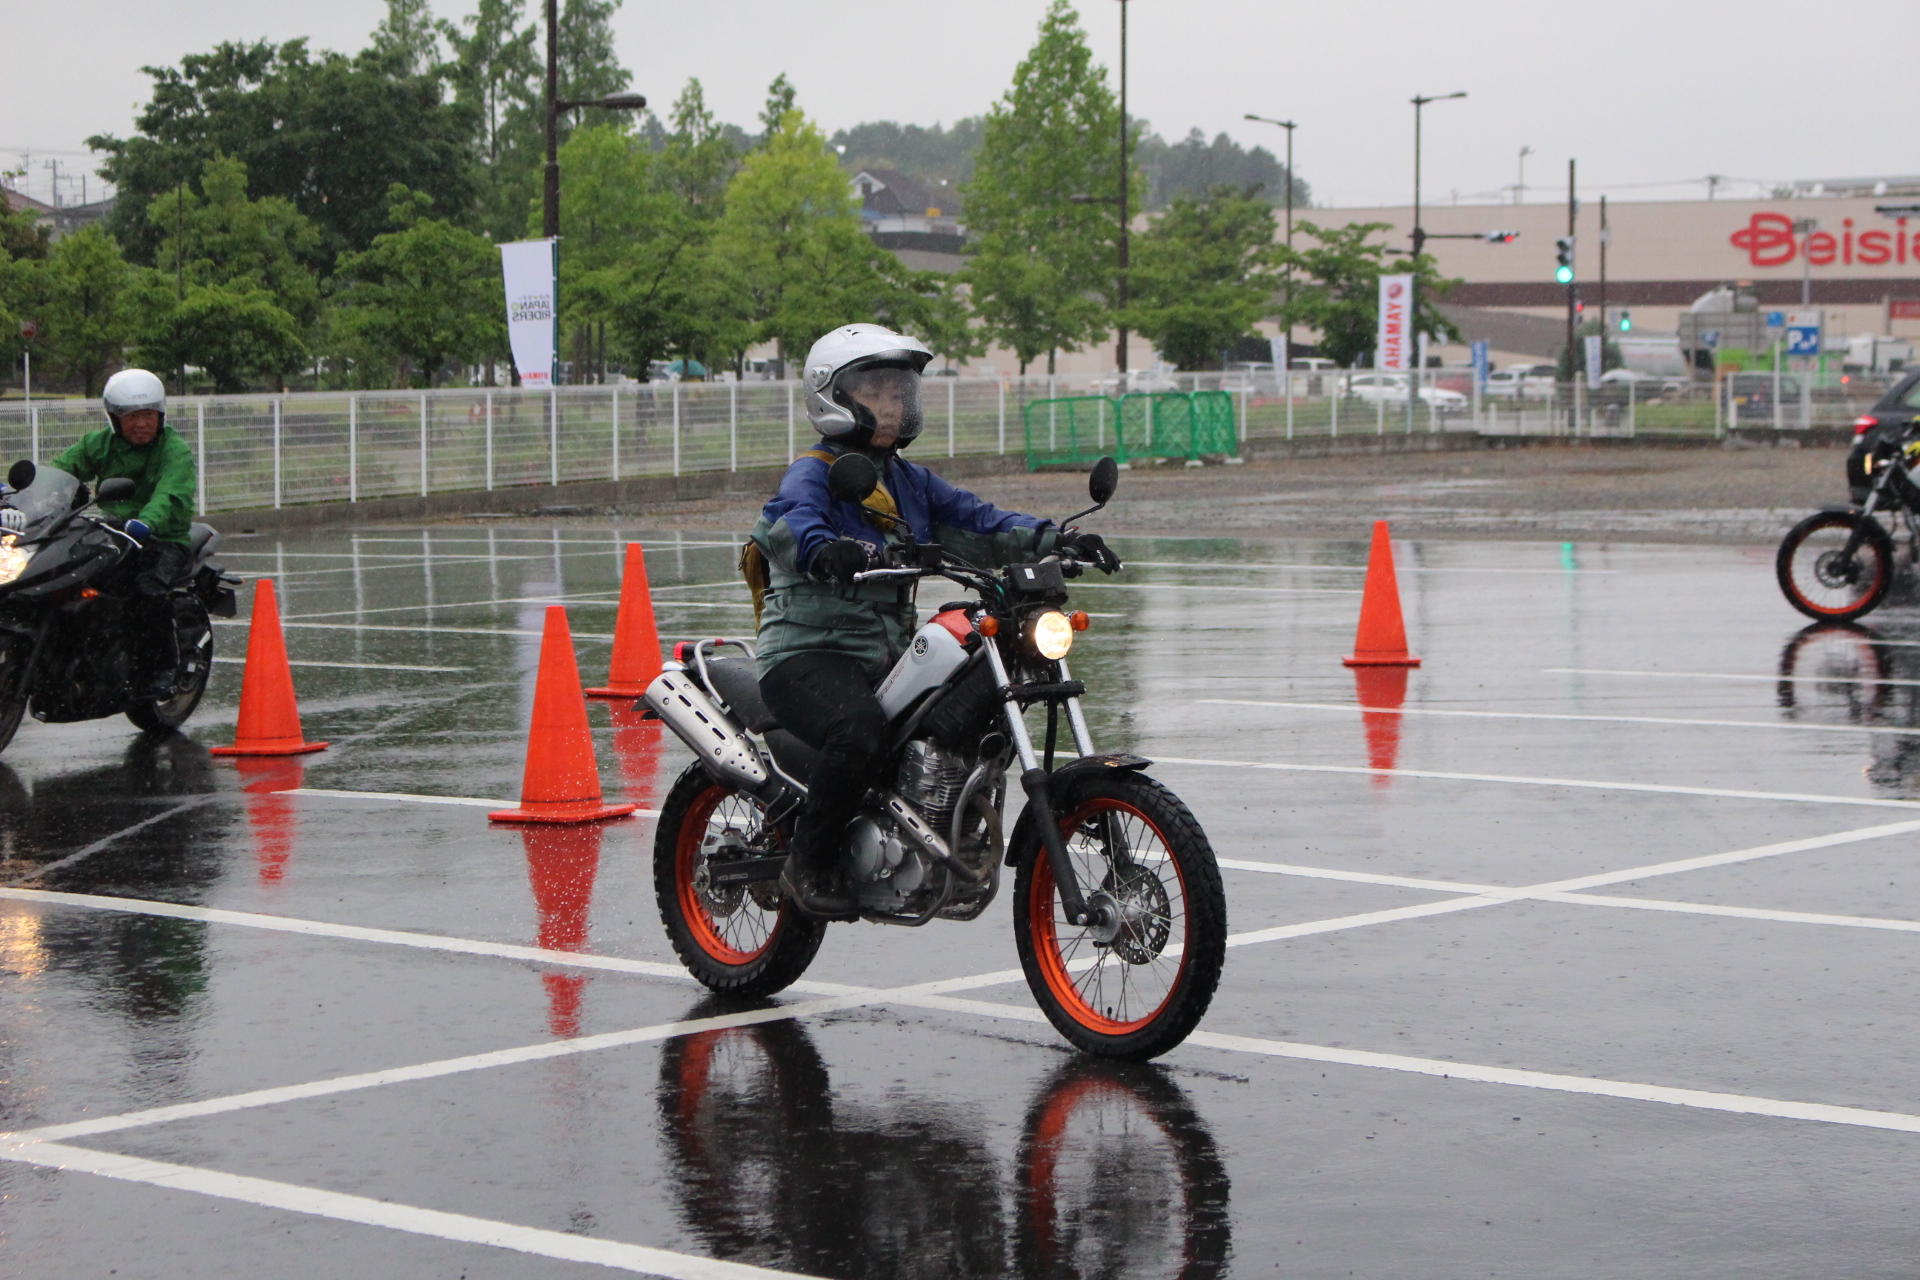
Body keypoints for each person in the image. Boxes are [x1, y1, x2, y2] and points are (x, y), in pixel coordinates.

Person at [748, 324, 1119, 917]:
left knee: (965, 698)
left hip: (882, 654)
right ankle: (808, 862)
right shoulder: (816, 473)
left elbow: (982, 522)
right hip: (807, 656)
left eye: (899, 392)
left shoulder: (910, 483)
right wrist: (828, 551)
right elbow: (792, 522)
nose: (892, 405)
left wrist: (1060, 538)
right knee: (859, 731)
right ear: (834, 397)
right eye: (876, 391)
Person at [50, 369, 199, 701]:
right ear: (115, 418)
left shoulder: (174, 450)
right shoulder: (100, 444)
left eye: (148, 415)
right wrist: (26, 493)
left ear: (160, 415)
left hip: (161, 538)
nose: (141, 424)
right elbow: (63, 469)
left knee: (147, 591)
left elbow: (171, 493)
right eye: (132, 416)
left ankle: (164, 667)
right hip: (112, 533)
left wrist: (146, 521)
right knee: (71, 581)